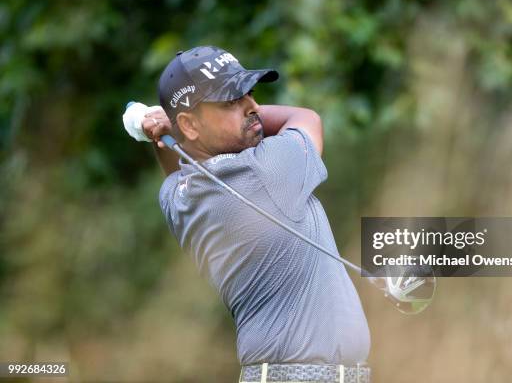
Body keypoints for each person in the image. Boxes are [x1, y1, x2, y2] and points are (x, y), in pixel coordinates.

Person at [125, 46, 371, 383]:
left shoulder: (177, 198)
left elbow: (177, 166)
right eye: (230, 101)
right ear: (189, 125)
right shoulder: (266, 170)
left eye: (250, 94)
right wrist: (170, 125)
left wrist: (172, 130)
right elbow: (305, 118)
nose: (252, 107)